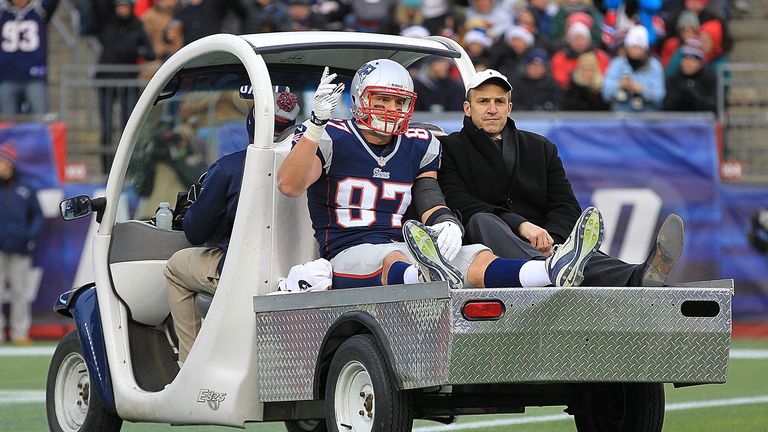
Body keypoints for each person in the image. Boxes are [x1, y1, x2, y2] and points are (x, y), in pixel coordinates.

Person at [277, 59, 604, 293]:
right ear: (361, 98)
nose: (391, 109)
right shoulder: (330, 135)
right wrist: (316, 124)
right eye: (383, 99)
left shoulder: (418, 144)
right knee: (392, 258)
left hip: (405, 245)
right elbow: (290, 186)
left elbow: (428, 193)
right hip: (348, 252)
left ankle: (550, 270)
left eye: (399, 101)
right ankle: (427, 278)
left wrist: (446, 221)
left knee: (473, 255)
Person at [438, 68, 685, 287]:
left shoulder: (541, 147)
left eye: (499, 102)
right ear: (467, 108)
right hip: (487, 247)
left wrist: (551, 242)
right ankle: (556, 266)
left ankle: (636, 275)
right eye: (483, 101)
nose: (493, 109)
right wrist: (521, 225)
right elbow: (459, 203)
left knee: (579, 256)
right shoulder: (448, 148)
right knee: (483, 220)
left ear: (509, 108)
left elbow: (565, 206)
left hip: (546, 244)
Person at [165, 89, 300, 363]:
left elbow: (195, 232)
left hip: (243, 272)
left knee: (175, 268)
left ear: (252, 122)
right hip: (300, 273)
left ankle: (190, 364)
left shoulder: (228, 168)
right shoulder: (312, 169)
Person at [0, 141, 44, 345]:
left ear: (11, 164)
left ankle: (19, 332)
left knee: (19, 292)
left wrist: (28, 235)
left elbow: (38, 216)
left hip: (19, 249)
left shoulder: (26, 189)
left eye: (3, 161)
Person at [0, 0, 60, 115]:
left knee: (39, 122)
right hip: (7, 75)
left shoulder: (39, 9)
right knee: (7, 125)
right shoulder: (3, 11)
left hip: (34, 75)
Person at [602, 25, 665, 112]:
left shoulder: (655, 66)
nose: (635, 51)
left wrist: (642, 90)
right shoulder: (617, 64)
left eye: (638, 47)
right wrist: (620, 85)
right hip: (621, 115)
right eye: (632, 47)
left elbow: (660, 95)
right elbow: (605, 93)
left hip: (648, 116)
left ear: (645, 49)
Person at [663, 40, 716, 113]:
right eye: (685, 58)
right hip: (678, 121)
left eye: (693, 59)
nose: (688, 63)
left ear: (700, 63)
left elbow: (714, 106)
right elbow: (667, 106)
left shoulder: (709, 78)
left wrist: (694, 95)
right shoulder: (673, 79)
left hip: (702, 121)